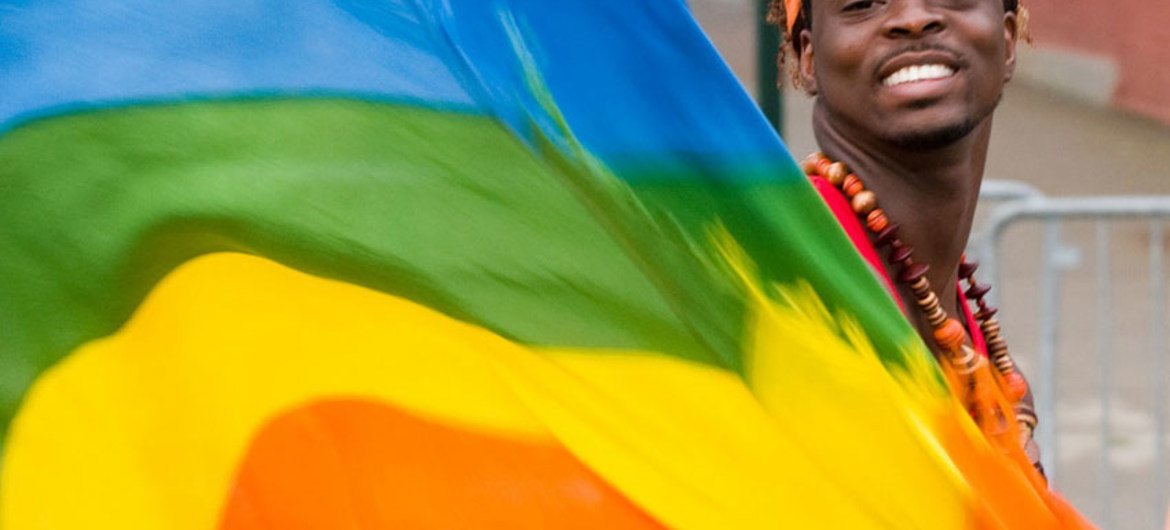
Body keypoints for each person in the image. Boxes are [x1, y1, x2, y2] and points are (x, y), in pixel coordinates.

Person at [767, 0, 1043, 471]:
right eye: (862, 2)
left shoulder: (976, 346)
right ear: (809, 58)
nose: (913, 18)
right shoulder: (799, 289)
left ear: (1008, 38)